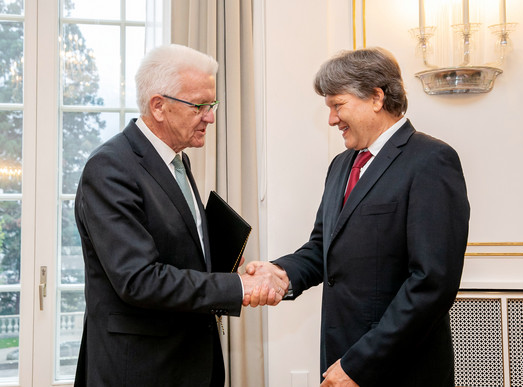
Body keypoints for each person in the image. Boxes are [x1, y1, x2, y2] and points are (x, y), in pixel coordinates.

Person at [247, 47, 470, 386]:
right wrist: (280, 273)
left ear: (377, 98)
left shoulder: (431, 160)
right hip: (341, 356)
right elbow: (323, 246)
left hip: (399, 367)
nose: (332, 119)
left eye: (338, 105)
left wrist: (360, 362)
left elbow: (431, 283)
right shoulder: (341, 165)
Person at [73, 44, 288, 387]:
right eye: (200, 105)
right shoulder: (110, 168)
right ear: (159, 106)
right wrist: (237, 286)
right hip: (142, 368)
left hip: (190, 361)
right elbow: (138, 280)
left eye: (212, 105)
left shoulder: (176, 160)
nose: (211, 117)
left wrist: (219, 260)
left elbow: (174, 245)